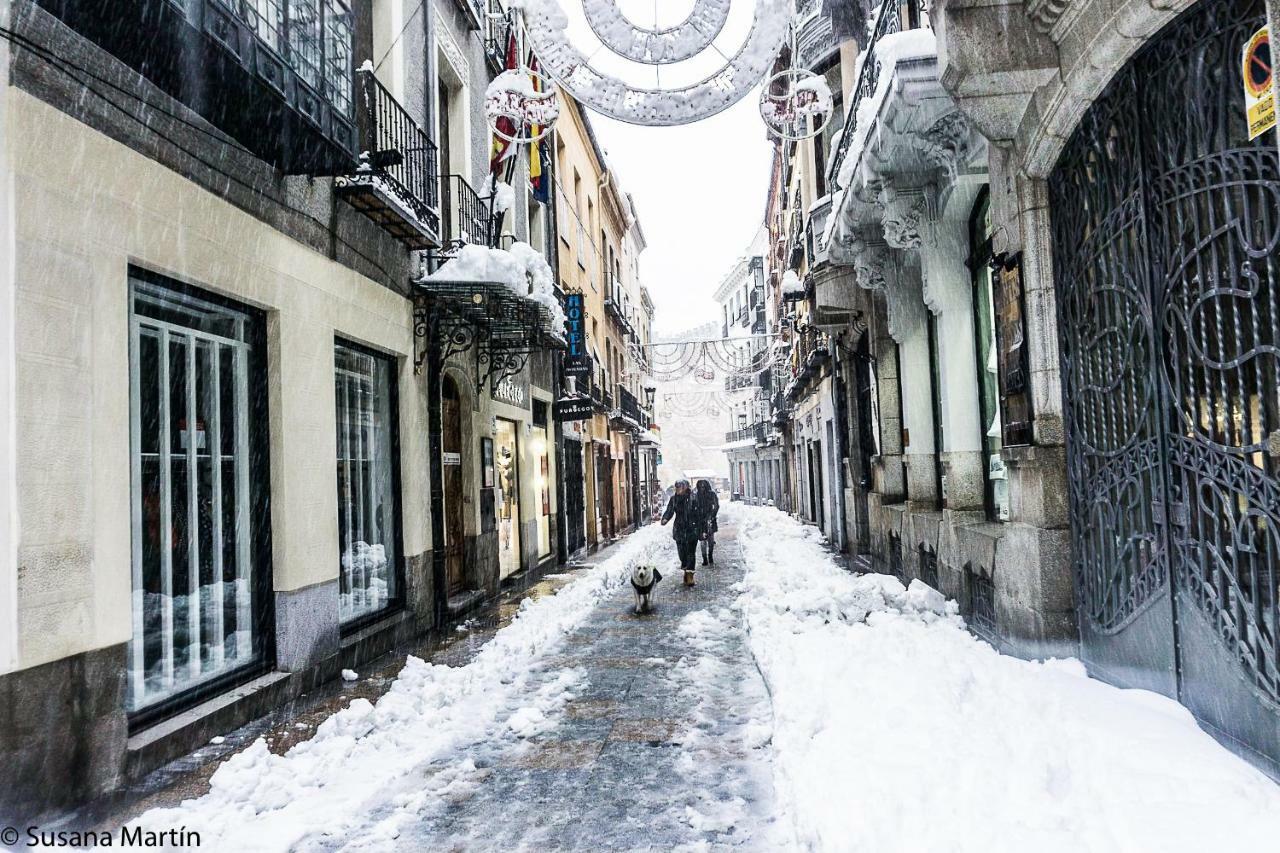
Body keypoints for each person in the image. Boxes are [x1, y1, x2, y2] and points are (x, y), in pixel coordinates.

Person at [661, 479, 701, 586]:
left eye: (679, 487)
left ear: (685, 487)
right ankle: (685, 569)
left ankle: (690, 575)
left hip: (692, 529)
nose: (677, 489)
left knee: (691, 553)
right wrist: (665, 518)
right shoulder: (674, 499)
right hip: (679, 529)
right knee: (682, 553)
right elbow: (669, 510)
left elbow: (699, 513)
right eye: (676, 487)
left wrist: (701, 527)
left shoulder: (694, 498)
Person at [694, 479, 719, 566]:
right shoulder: (696, 495)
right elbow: (693, 507)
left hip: (709, 519)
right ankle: (705, 558)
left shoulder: (712, 494)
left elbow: (716, 506)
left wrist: (712, 515)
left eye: (703, 486)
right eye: (701, 487)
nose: (702, 488)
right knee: (702, 540)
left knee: (710, 539)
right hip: (700, 520)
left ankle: (710, 556)